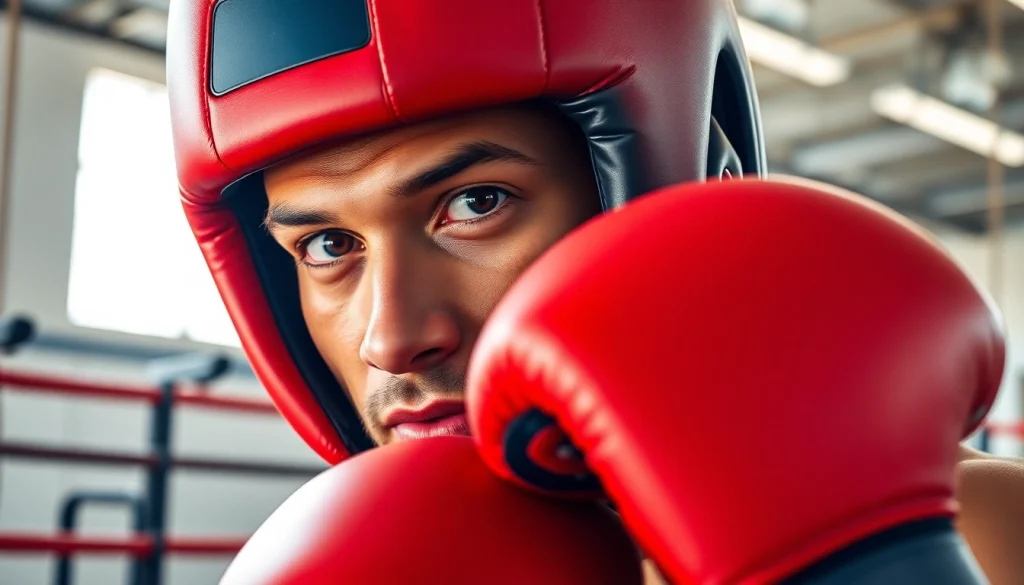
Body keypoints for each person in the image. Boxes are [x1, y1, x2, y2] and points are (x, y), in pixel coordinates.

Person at [166, 0, 1024, 582]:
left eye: (476, 204)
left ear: (694, 185)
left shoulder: (969, 532)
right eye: (327, 246)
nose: (391, 337)